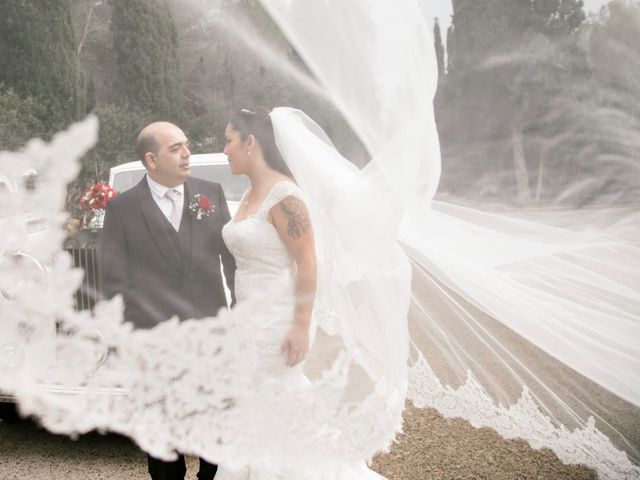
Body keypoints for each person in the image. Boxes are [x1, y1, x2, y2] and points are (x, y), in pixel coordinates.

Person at [99, 121, 236, 480]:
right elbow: (113, 284)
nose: (187, 153)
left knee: (216, 432)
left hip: (211, 336)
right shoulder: (122, 210)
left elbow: (233, 263)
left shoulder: (212, 194)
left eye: (186, 145)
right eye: (176, 148)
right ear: (151, 158)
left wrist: (240, 315)